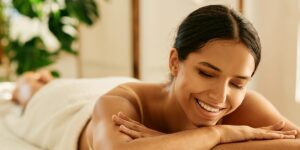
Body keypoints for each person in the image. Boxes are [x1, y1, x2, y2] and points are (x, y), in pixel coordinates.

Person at [11, 5, 300, 150]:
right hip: (72, 107)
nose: (221, 96)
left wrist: (174, 142)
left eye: (238, 82)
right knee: (30, 91)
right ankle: (33, 81)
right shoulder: (116, 105)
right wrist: (219, 134)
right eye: (206, 73)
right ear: (175, 62)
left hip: (156, 89)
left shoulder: (245, 106)